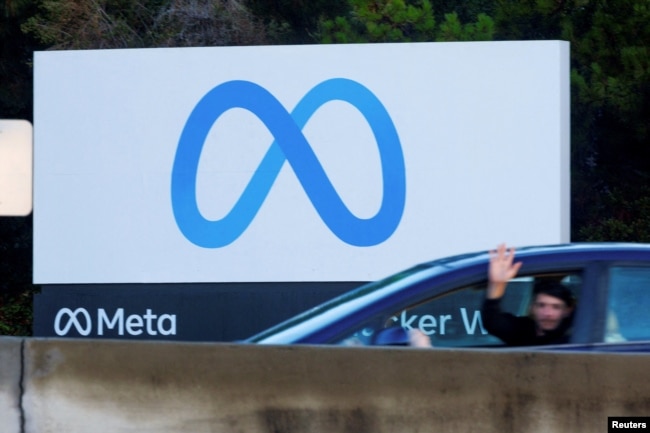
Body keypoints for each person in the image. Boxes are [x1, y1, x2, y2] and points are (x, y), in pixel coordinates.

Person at [481, 243, 576, 346]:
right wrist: (497, 284)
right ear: (532, 307)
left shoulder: (575, 336)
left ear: (567, 311)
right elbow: (493, 322)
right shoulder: (524, 330)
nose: (548, 313)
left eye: (556, 307)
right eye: (541, 305)